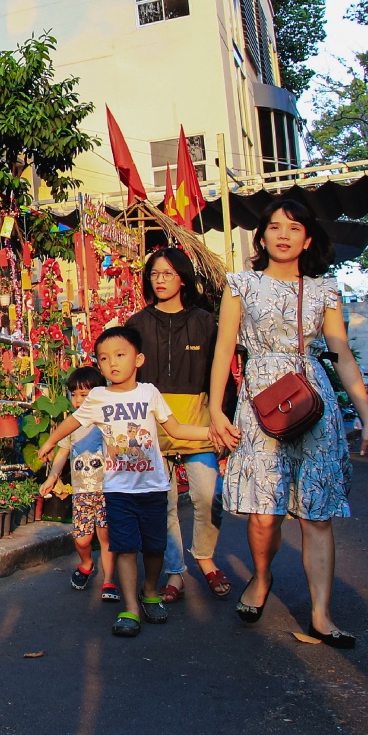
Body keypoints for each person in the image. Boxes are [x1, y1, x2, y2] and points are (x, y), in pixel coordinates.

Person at [209, 198, 368, 648]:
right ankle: (261, 578)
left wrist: (367, 419)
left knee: (317, 514)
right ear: (261, 237)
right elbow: (224, 349)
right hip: (259, 400)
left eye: (293, 227)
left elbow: (341, 354)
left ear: (307, 238)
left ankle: (321, 614)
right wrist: (216, 411)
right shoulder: (241, 285)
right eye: (274, 226)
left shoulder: (324, 290)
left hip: (313, 402)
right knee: (263, 515)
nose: (283, 234)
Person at [38, 327, 214, 638]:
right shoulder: (98, 397)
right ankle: (131, 607)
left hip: (153, 487)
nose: (112, 363)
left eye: (120, 355)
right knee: (126, 548)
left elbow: (175, 429)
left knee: (155, 547)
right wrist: (51, 441)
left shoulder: (149, 393)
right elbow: (73, 420)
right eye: (104, 358)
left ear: (139, 359)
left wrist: (212, 433)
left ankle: (150, 592)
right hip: (118, 490)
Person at [125, 246, 227, 601]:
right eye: (155, 273)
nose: (161, 280)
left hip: (198, 421)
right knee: (162, 505)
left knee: (208, 495)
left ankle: (205, 558)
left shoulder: (205, 321)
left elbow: (220, 373)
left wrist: (222, 417)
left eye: (168, 273)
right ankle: (174, 573)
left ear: (182, 278)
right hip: (150, 427)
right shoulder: (136, 323)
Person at [39, 366, 112, 594]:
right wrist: (52, 477)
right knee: (82, 539)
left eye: (85, 394)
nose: (79, 400)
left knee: (107, 537)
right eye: (75, 394)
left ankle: (109, 579)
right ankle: (87, 563)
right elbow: (62, 453)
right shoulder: (71, 424)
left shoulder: (105, 422)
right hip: (82, 492)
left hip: (106, 490)